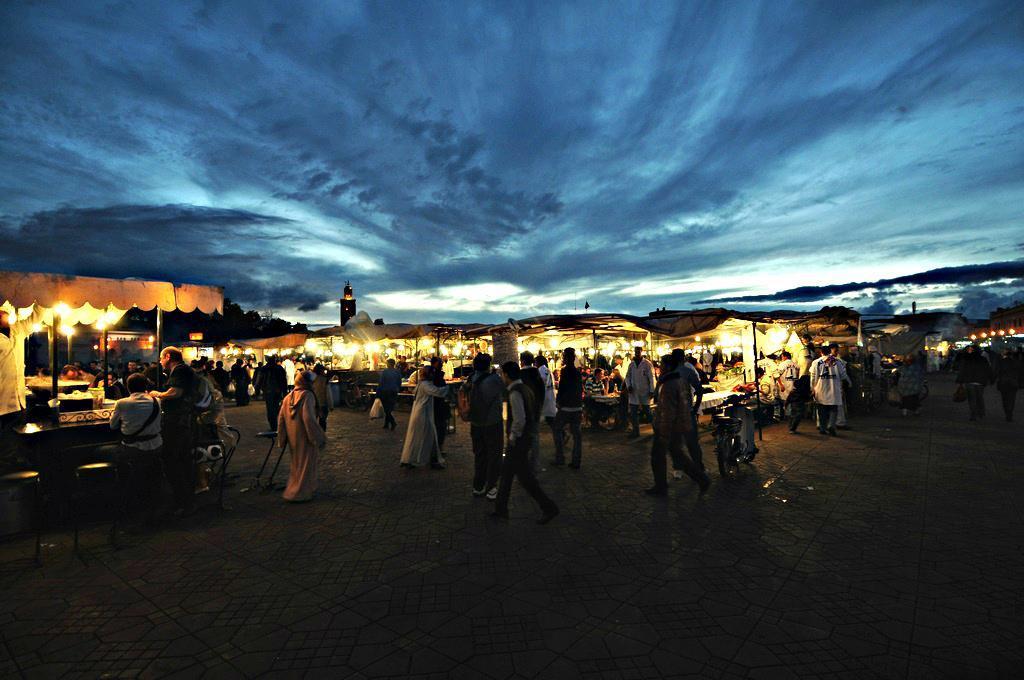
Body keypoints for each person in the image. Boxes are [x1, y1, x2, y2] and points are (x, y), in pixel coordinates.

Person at [491, 362, 559, 524]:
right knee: (508, 475)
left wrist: (513, 438)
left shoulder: (515, 392)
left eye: (502, 374)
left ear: (507, 375)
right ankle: (501, 509)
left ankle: (548, 507)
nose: (502, 377)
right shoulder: (525, 389)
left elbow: (519, 419)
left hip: (519, 441)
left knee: (525, 478)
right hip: (525, 438)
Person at [646, 354, 710, 496]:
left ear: (668, 366)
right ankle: (701, 479)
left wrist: (663, 430)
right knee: (678, 456)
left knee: (658, 456)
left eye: (662, 365)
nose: (660, 368)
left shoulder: (669, 384)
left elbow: (669, 410)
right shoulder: (679, 380)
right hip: (677, 425)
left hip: (668, 427)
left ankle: (661, 486)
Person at [104, 372, 163, 522]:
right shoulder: (157, 401)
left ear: (128, 387)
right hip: (156, 446)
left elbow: (112, 426)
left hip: (133, 449)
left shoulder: (122, 403)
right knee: (148, 470)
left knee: (101, 451)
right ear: (145, 386)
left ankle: (114, 495)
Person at [148, 347, 197, 516]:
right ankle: (186, 500)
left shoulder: (180, 370)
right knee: (182, 460)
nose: (161, 362)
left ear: (168, 357)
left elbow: (175, 393)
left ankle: (181, 501)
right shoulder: (182, 370)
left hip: (177, 422)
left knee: (172, 459)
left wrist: (158, 394)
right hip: (182, 421)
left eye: (162, 358)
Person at [277, 371, 326, 502]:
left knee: (296, 465)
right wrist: (317, 436)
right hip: (305, 437)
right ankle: (301, 493)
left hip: (293, 438)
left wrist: (282, 439)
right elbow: (308, 418)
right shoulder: (308, 396)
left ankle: (292, 491)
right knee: (306, 466)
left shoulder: (288, 397)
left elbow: (281, 419)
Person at [463, 353, 505, 496]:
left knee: (480, 454)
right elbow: (505, 392)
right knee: (494, 454)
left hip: (476, 422)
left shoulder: (471, 378)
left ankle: (478, 486)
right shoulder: (494, 379)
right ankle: (491, 487)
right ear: (488, 365)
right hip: (492, 422)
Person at [400, 366, 450, 468]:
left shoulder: (421, 384)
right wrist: (448, 387)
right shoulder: (425, 385)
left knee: (418, 436)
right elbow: (438, 392)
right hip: (423, 414)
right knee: (427, 435)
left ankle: (412, 459)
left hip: (420, 412)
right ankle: (425, 460)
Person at [672, 349, 705, 475]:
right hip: (686, 411)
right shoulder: (688, 371)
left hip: (677, 412)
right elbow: (700, 390)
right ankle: (698, 467)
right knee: (691, 442)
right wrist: (695, 408)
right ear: (683, 358)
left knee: (677, 442)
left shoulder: (672, 371)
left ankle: (679, 468)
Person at [552, 347, 584, 469]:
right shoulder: (577, 372)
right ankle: (576, 461)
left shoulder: (565, 371)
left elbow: (562, 388)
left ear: (566, 357)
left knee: (556, 428)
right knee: (577, 435)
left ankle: (560, 457)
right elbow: (579, 389)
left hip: (566, 407)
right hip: (576, 407)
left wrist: (559, 402)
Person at [809, 344, 848, 436]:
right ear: (830, 352)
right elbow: (843, 375)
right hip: (834, 389)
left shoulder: (816, 362)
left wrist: (812, 388)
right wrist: (846, 384)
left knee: (821, 410)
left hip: (820, 389)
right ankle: (831, 425)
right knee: (833, 409)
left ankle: (822, 428)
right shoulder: (838, 361)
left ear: (821, 352)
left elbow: (813, 377)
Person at [519, 351, 546, 473]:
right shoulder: (537, 373)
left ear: (522, 361)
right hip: (535, 410)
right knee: (535, 437)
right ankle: (534, 464)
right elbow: (542, 392)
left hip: (523, 411)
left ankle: (524, 465)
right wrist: (539, 407)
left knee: (523, 437)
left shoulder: (520, 375)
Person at [624, 346, 655, 438]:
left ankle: (657, 430)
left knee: (647, 412)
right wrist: (628, 385)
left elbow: (651, 378)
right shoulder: (631, 364)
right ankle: (635, 431)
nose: (637, 353)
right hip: (633, 392)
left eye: (638, 351)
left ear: (641, 352)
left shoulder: (647, 364)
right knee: (633, 412)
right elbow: (627, 376)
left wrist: (652, 390)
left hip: (645, 391)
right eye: (636, 351)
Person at [956, 345, 992, 421]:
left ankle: (973, 414)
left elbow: (962, 370)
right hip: (980, 382)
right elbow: (988, 370)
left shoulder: (966, 359)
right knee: (980, 398)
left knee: (972, 399)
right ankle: (981, 412)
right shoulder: (983, 359)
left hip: (969, 381)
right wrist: (989, 379)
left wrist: (960, 380)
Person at [773, 350, 805, 432]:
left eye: (782, 357)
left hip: (785, 385)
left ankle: (789, 419)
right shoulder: (796, 365)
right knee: (792, 404)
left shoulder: (782, 364)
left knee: (786, 402)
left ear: (784, 356)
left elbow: (776, 375)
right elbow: (798, 376)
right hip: (794, 386)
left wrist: (781, 385)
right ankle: (791, 420)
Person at [429, 356, 450, 468]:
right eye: (440, 362)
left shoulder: (436, 374)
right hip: (437, 406)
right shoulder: (433, 376)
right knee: (439, 428)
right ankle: (435, 455)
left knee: (441, 427)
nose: (442, 364)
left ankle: (439, 449)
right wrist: (446, 390)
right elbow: (437, 391)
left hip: (439, 405)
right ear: (435, 363)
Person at [262, 355, 289, 430]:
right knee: (276, 407)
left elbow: (260, 379)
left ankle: (273, 425)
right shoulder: (279, 368)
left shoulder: (265, 368)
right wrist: (284, 391)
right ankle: (276, 424)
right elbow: (284, 381)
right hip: (277, 391)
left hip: (269, 391)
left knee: (271, 409)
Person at [994, 349, 1020, 422]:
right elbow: (1020, 373)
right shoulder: (1016, 362)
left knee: (1005, 399)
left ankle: (1007, 412)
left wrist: (994, 379)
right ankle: (1010, 413)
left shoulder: (1001, 362)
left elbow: (996, 372)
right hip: (1013, 383)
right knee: (1012, 399)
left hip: (1003, 383)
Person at [379, 359, 402, 431]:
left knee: (386, 409)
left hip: (386, 391)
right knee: (389, 408)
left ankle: (393, 422)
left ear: (388, 364)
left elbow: (381, 382)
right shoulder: (397, 371)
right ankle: (386, 424)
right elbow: (399, 382)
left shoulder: (385, 372)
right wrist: (397, 388)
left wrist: (378, 392)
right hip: (394, 391)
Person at [310, 363, 333, 431]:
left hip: (312, 403)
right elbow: (328, 394)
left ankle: (313, 435)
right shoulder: (324, 380)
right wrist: (331, 405)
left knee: (313, 421)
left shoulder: (311, 380)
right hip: (322, 404)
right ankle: (322, 436)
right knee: (322, 421)